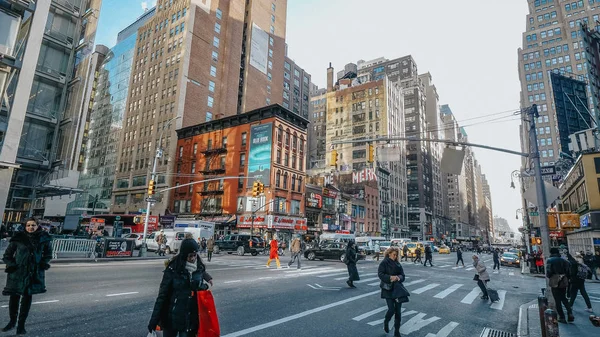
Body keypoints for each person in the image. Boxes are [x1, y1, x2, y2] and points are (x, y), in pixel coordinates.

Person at [148, 239, 213, 337]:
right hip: (172, 317)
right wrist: (154, 320)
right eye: (190, 256)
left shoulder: (198, 268)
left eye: (195, 255)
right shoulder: (173, 269)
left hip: (190, 318)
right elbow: (162, 296)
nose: (193, 258)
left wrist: (203, 286)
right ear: (184, 255)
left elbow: (199, 288)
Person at [2, 218, 52, 335]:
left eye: (33, 225)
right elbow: (7, 255)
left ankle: (21, 326)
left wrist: (42, 264)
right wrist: (12, 265)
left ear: (37, 226)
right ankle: (12, 322)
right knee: (14, 298)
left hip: (33, 273)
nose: (30, 227)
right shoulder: (18, 238)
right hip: (17, 273)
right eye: (28, 225)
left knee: (26, 299)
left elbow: (48, 254)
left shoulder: (43, 238)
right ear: (25, 226)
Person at [378, 246, 407, 337]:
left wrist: (398, 277)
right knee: (391, 309)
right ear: (389, 253)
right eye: (394, 254)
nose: (395, 256)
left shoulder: (398, 263)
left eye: (396, 255)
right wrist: (390, 277)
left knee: (398, 311)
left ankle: (397, 331)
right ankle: (386, 321)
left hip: (397, 289)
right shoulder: (384, 262)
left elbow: (403, 275)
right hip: (387, 289)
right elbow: (380, 274)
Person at [547, 247, 573, 323]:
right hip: (563, 280)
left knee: (557, 300)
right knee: (564, 298)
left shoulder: (550, 260)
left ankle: (562, 317)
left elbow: (549, 272)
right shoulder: (565, 261)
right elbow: (569, 272)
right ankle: (570, 313)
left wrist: (551, 276)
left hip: (555, 280)